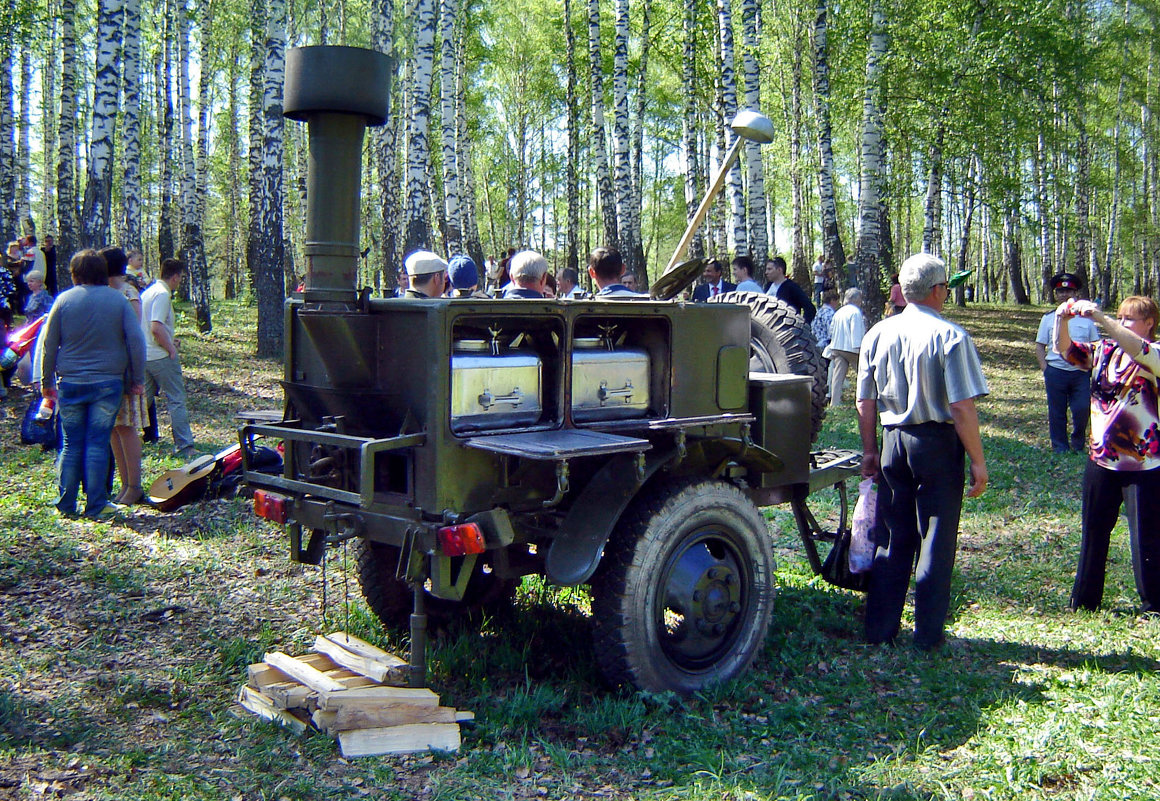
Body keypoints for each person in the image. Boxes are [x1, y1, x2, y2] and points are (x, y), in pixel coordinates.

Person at [857, 253, 989, 651]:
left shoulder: (877, 333)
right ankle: (928, 635)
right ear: (936, 290)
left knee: (892, 534)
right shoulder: (950, 335)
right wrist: (978, 462)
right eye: (946, 287)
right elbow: (961, 407)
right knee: (935, 535)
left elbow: (865, 401)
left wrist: (869, 450)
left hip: (892, 439)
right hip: (935, 442)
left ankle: (880, 627)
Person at [1055, 295, 1160, 614]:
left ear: (1149, 323)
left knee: (1147, 537)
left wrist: (1101, 318)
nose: (1124, 322)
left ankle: (1153, 602)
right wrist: (1062, 320)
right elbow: (1067, 350)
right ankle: (1085, 600)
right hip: (1102, 457)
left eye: (1131, 318)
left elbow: (1138, 349)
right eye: (1121, 317)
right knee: (1094, 531)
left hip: (1144, 461)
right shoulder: (1104, 351)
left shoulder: (1154, 353)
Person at [38, 249, 145, 519]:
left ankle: (66, 503)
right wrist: (137, 378)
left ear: (75, 274)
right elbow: (136, 341)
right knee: (97, 442)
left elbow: (49, 344)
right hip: (108, 383)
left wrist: (46, 381)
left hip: (71, 381)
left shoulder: (63, 300)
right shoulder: (118, 300)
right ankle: (96, 504)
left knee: (71, 443)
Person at [103, 247, 148, 505]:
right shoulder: (109, 293)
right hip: (110, 370)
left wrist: (134, 374)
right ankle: (124, 484)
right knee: (114, 428)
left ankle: (134, 485)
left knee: (127, 427)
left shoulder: (128, 293)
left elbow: (133, 335)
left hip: (126, 370)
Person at [1036, 272, 1099, 454]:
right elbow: (1039, 345)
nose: (1064, 295)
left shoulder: (1087, 320)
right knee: (1057, 412)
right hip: (1056, 371)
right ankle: (1059, 446)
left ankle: (1078, 443)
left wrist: (1092, 369)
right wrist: (1045, 369)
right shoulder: (1048, 319)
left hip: (1080, 373)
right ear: (1056, 295)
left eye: (1068, 291)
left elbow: (1095, 346)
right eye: (1061, 292)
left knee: (1081, 409)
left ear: (1075, 294)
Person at [141, 258, 196, 459]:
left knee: (142, 401)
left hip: (145, 355)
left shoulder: (147, 292)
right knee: (176, 400)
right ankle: (184, 445)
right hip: (160, 357)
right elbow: (156, 327)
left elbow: (150, 326)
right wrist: (170, 348)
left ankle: (119, 436)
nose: (180, 281)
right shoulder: (163, 294)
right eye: (180, 278)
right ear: (174, 277)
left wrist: (170, 339)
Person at [823, 288, 865, 407]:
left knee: (838, 375)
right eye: (860, 299)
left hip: (837, 346)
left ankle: (834, 402)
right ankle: (864, 398)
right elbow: (856, 331)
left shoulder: (839, 312)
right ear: (856, 299)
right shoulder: (855, 312)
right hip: (850, 347)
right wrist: (860, 348)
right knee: (863, 373)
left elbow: (831, 330)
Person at [764, 256, 816, 323]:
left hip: (785, 329)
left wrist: (802, 326)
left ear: (779, 270)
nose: (766, 272)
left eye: (769, 269)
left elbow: (810, 308)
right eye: (766, 269)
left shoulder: (791, 287)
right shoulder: (768, 286)